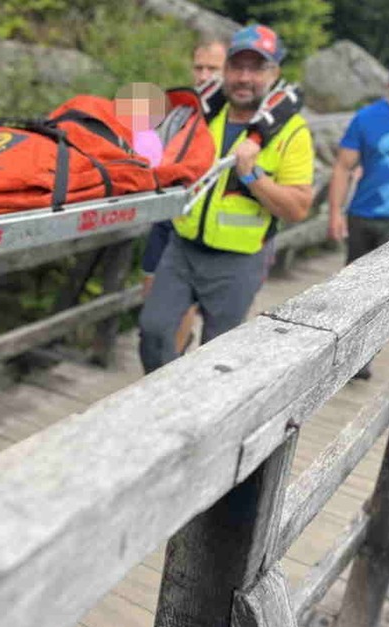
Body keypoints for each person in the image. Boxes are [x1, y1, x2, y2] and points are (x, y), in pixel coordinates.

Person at [138, 24, 314, 373]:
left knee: (216, 354)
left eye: (257, 68)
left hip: (239, 261)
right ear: (226, 70)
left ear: (274, 73)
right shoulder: (204, 115)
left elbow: (298, 207)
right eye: (237, 67)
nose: (244, 77)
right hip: (182, 248)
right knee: (154, 331)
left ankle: (198, 419)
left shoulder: (292, 132)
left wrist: (253, 176)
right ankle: (167, 396)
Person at [328, 44, 389, 380]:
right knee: (352, 288)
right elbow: (342, 166)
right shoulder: (367, 117)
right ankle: (346, 351)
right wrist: (335, 214)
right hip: (363, 214)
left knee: (384, 293)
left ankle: (363, 358)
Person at [139, 36, 228, 355]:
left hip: (202, 219)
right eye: (199, 68)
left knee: (183, 302)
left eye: (213, 69)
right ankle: (167, 355)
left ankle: (172, 364)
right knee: (150, 295)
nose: (204, 76)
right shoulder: (183, 107)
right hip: (167, 212)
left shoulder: (233, 113)